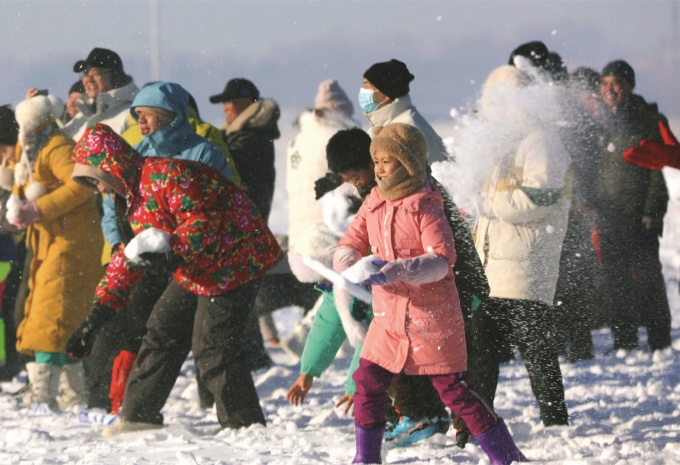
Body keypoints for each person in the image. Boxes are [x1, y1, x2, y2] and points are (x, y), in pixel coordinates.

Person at [66, 123, 284, 436]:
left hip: (236, 259)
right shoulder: (129, 202)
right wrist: (96, 317)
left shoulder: (168, 175)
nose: (99, 189)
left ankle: (244, 424)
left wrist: (174, 254)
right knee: (161, 329)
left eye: (97, 181)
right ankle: (138, 415)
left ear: (110, 168)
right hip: (196, 267)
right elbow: (128, 259)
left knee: (213, 346)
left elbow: (202, 219)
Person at [334, 123, 525, 464]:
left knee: (455, 390)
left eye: (386, 160)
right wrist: (348, 263)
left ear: (407, 162)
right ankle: (365, 459)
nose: (377, 168)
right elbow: (350, 241)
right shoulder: (374, 201)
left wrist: (396, 269)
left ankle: (507, 457)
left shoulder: (426, 202)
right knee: (367, 381)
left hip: (432, 316)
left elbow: (441, 260)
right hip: (389, 317)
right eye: (375, 160)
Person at [88, 81, 236, 413]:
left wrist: (183, 245)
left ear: (170, 115)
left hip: (200, 259)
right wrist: (120, 244)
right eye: (138, 114)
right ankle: (126, 406)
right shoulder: (139, 153)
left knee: (207, 339)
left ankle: (219, 406)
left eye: (149, 115)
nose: (141, 122)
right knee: (147, 332)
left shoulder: (204, 152)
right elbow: (117, 204)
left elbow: (219, 205)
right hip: (152, 259)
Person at [470, 65, 571, 427]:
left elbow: (540, 197)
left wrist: (488, 205)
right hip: (492, 270)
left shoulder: (540, 140)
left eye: (501, 101)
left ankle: (556, 424)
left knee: (537, 354)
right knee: (479, 356)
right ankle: (475, 425)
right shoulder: (504, 144)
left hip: (525, 270)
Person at [5, 94, 103, 411]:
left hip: (71, 245)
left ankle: (45, 396)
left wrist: (38, 209)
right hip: (53, 244)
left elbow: (81, 183)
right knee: (53, 317)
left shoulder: (55, 146)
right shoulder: (34, 150)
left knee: (51, 316)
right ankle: (72, 394)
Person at [275, 79, 358, 356]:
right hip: (328, 226)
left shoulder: (297, 140)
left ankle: (309, 334)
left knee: (332, 285)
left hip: (300, 230)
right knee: (348, 279)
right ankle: (309, 336)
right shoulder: (342, 133)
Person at [594, 60, 671, 352]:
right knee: (615, 280)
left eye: (616, 83)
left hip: (641, 215)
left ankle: (659, 339)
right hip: (609, 215)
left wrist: (652, 211)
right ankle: (623, 339)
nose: (609, 90)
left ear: (630, 86)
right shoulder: (598, 122)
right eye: (604, 84)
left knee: (648, 277)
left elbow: (658, 171)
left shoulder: (647, 119)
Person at [210, 78, 280, 222]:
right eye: (224, 103)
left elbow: (224, 164)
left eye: (230, 101)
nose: (225, 108)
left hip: (245, 224)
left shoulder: (255, 137)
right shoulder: (235, 135)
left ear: (247, 103)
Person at [359, 59, 448, 164]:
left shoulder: (407, 128)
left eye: (366, 85)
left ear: (386, 94)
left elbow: (419, 176)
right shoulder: (380, 125)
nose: (362, 90)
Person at [64, 47, 139, 141]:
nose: (89, 80)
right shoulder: (82, 117)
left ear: (114, 76)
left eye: (95, 73)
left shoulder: (133, 114)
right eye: (86, 74)